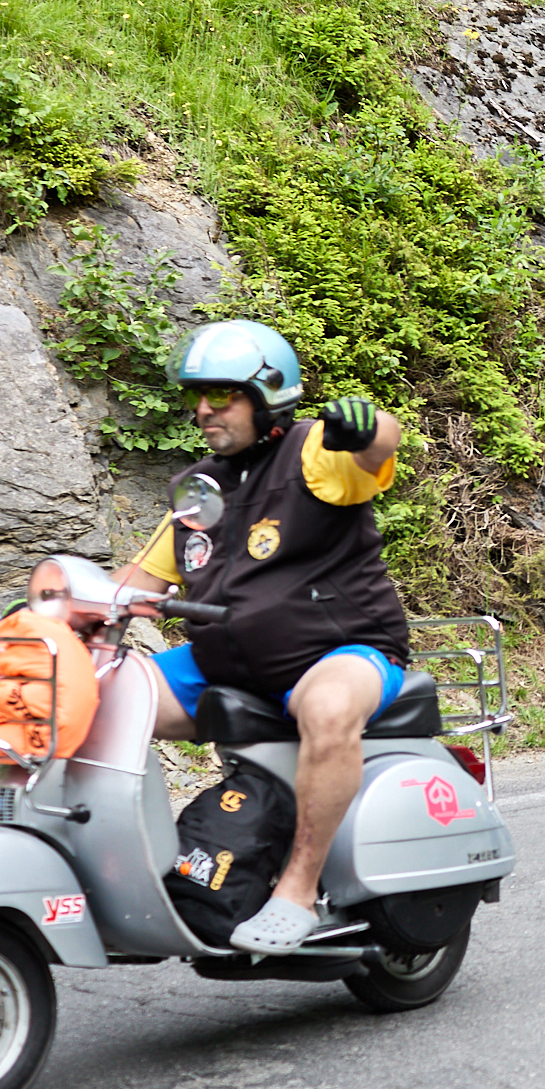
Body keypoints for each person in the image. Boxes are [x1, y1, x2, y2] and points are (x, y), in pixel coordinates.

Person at [112, 320, 408, 956]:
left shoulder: (315, 453)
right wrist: (60, 602)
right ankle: (119, 867)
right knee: (105, 695)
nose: (204, 409)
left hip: (337, 652)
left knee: (328, 709)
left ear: (267, 394)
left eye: (223, 395)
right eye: (198, 396)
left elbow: (382, 443)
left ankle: (296, 893)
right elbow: (139, 580)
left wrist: (368, 427)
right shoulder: (201, 488)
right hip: (226, 661)